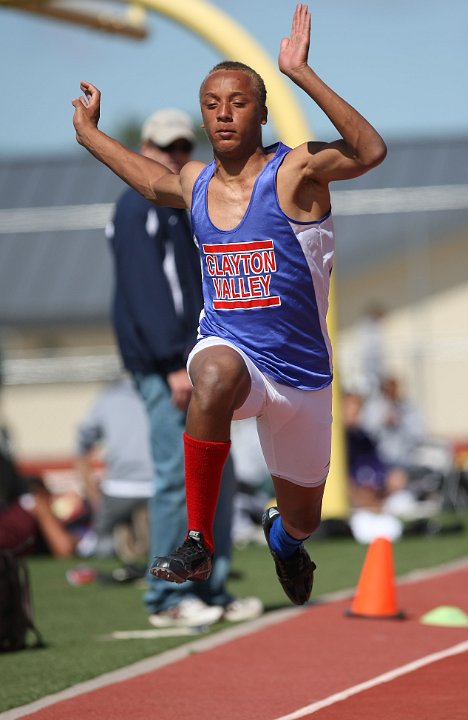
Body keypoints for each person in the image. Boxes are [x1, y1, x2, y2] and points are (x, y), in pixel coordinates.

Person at [72, 3, 387, 605]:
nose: (223, 113)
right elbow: (146, 179)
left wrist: (302, 73)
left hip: (301, 379)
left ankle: (284, 541)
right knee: (210, 375)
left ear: (262, 112)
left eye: (238, 102)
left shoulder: (294, 171)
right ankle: (197, 540)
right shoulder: (194, 183)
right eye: (212, 103)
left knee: (304, 519)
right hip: (234, 353)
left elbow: (369, 151)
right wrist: (89, 134)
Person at [104, 106, 262, 625]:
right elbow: (149, 293)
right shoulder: (137, 206)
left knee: (214, 475)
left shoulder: (183, 205)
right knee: (177, 478)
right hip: (171, 367)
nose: (174, 156)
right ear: (143, 150)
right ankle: (166, 598)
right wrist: (175, 364)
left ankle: (209, 589)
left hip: (194, 363)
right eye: (163, 148)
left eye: (180, 147)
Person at [74, 375, 153, 561]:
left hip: (118, 489)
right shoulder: (169, 389)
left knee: (96, 547)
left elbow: (80, 447)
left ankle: (121, 538)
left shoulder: (107, 398)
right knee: (171, 544)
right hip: (160, 486)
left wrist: (94, 497)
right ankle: (143, 534)